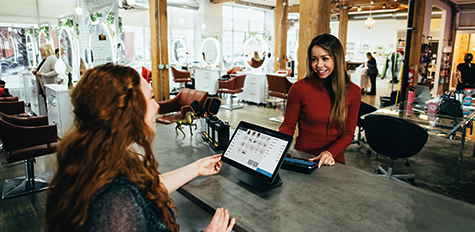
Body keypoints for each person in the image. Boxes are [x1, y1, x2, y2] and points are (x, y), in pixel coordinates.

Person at [46, 64, 235, 232]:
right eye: (151, 98)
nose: (157, 107)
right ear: (129, 110)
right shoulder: (114, 203)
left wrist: (196, 168)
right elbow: (130, 197)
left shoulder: (97, 158)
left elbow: (146, 190)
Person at [279, 34, 361, 167]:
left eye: (325, 58)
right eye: (314, 59)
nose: (319, 65)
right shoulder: (299, 88)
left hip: (333, 162)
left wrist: (329, 153)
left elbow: (348, 134)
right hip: (303, 159)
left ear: (337, 59)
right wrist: (275, 146)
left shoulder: (353, 91)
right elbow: (288, 127)